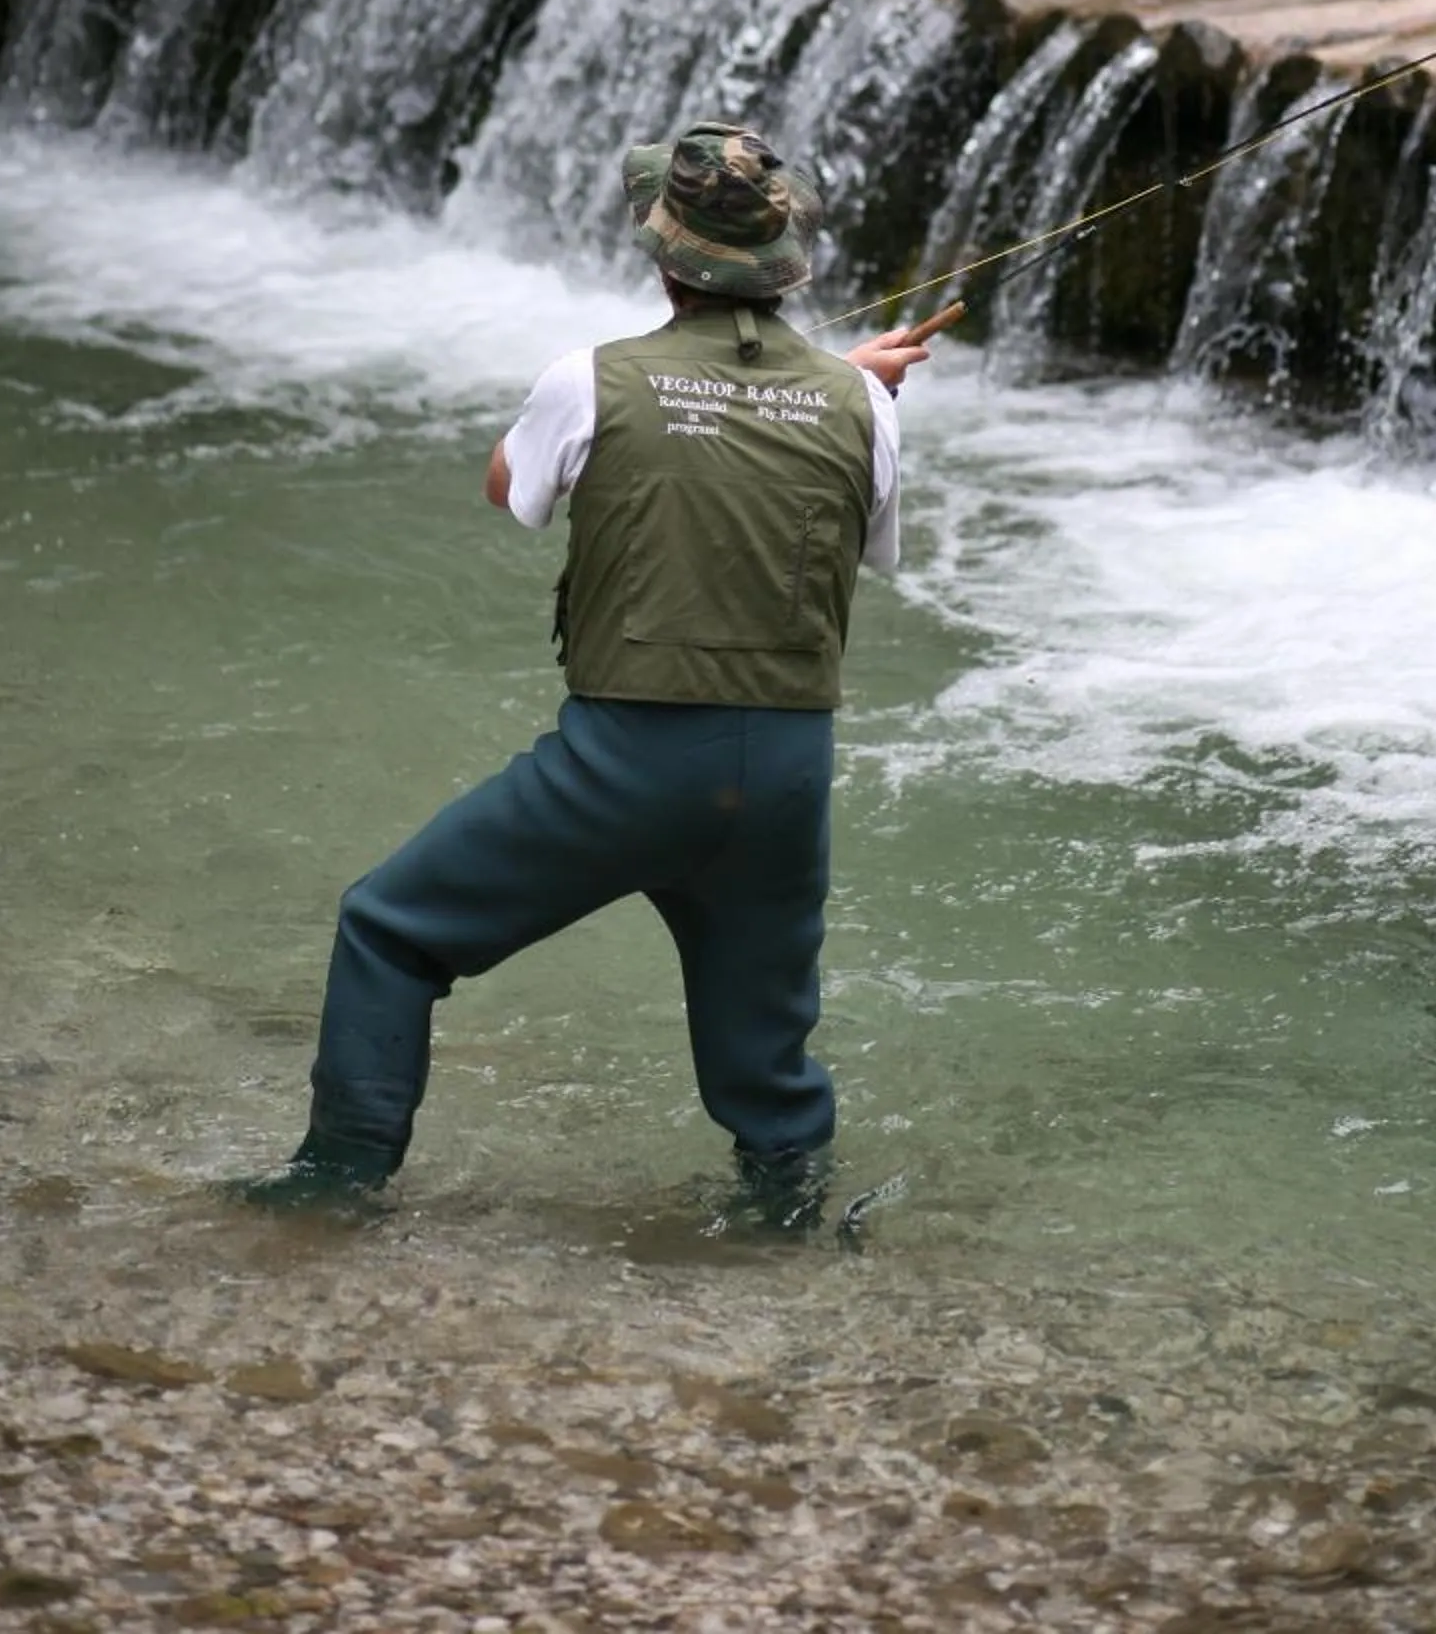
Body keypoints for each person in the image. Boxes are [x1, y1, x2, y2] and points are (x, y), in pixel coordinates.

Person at [240, 120, 930, 1219]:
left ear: (665, 257)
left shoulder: (590, 379)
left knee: (390, 929)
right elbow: (854, 532)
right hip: (787, 774)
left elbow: (508, 485)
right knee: (764, 1058)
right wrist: (844, 387)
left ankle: (333, 1189)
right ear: (785, 264)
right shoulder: (866, 411)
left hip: (630, 760)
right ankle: (789, 1238)